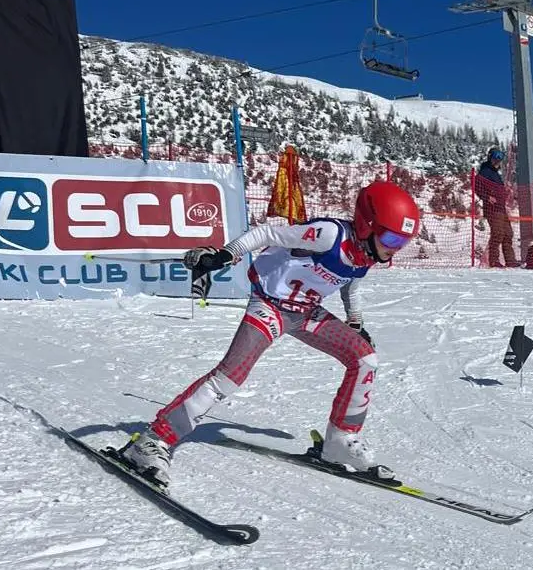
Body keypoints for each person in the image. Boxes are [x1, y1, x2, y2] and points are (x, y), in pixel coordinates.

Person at [122, 180, 421, 487]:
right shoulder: (329, 235)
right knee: (230, 375)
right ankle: (153, 440)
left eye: (403, 242)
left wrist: (355, 321)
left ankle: (339, 442)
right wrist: (229, 253)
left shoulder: (367, 252)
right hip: (270, 306)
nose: (394, 248)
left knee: (365, 358)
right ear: (367, 224)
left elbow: (351, 279)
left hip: (306, 311)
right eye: (391, 237)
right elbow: (267, 233)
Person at [473, 147, 519, 268]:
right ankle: (494, 261)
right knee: (498, 233)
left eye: (500, 158)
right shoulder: (485, 171)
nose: (497, 160)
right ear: (490, 157)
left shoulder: (496, 174)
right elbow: (477, 186)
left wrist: (506, 193)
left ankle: (511, 261)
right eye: (495, 157)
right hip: (492, 208)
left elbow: (498, 190)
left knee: (508, 233)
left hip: (501, 208)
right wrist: (487, 197)